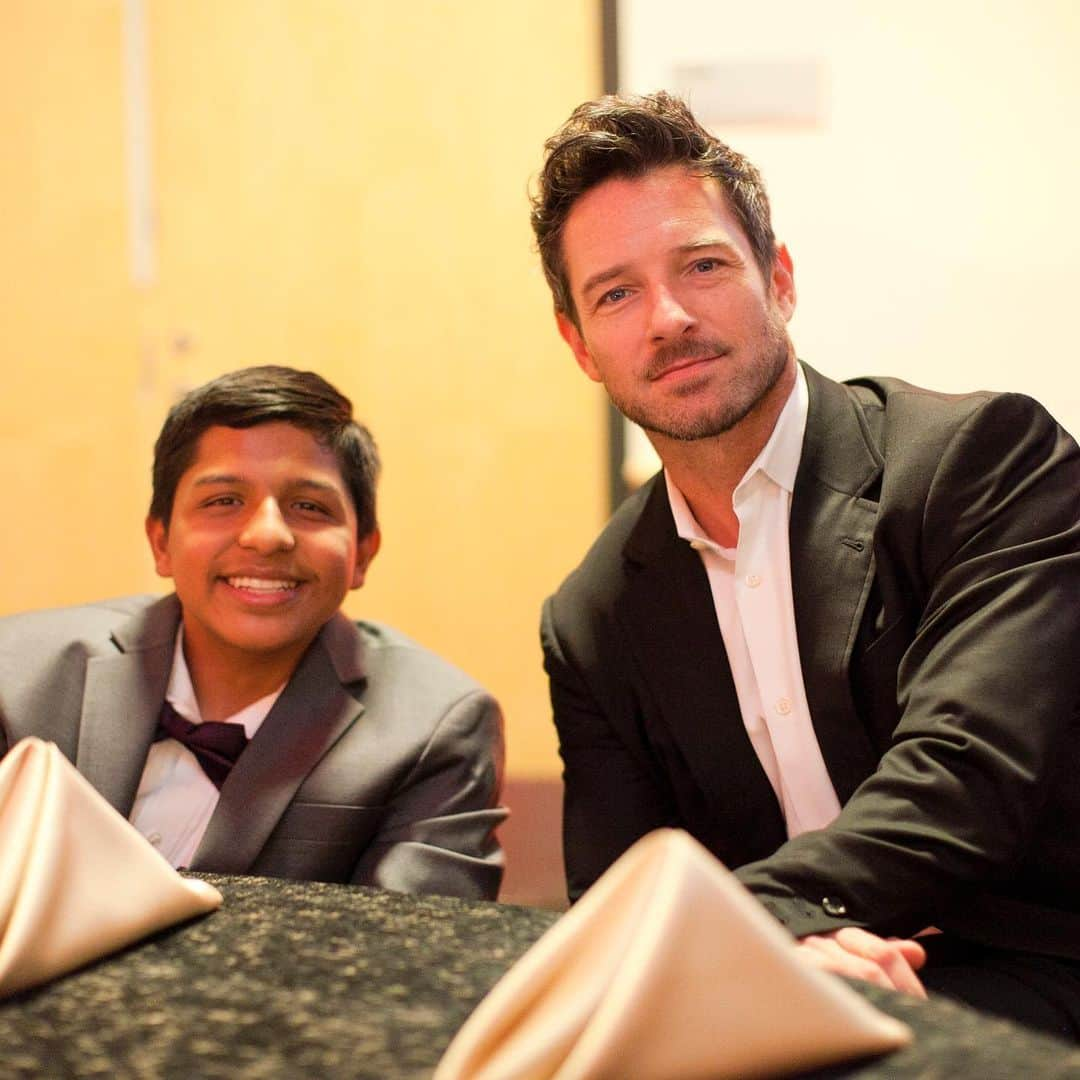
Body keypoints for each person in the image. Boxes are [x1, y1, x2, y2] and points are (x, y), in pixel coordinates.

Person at [533, 92, 1080, 1037]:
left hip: (1036, 969)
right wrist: (777, 956)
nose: (666, 318)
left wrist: (762, 930)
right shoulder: (593, 615)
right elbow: (621, 888)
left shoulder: (985, 457)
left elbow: (964, 780)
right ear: (579, 345)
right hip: (780, 987)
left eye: (702, 266)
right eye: (615, 293)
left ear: (778, 279)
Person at [0, 365, 505, 900]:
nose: (267, 535)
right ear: (161, 542)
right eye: (223, 501)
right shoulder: (16, 672)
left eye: (309, 506)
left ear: (363, 554)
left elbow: (406, 962)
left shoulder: (436, 730)